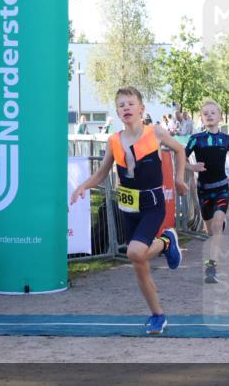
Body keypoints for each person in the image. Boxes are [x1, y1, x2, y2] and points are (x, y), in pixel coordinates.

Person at [70, 87, 189, 335]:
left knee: (135, 251)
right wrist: (83, 186)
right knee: (139, 262)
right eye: (121, 105)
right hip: (128, 206)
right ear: (117, 111)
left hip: (152, 204)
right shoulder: (114, 140)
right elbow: (103, 172)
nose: (126, 108)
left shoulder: (155, 132)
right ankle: (158, 315)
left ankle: (167, 241)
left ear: (142, 109)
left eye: (131, 103)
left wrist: (178, 179)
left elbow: (179, 149)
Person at [186, 99, 229, 284]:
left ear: (220, 116)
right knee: (211, 232)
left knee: (218, 226)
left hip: (221, 188)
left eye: (213, 112)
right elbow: (180, 158)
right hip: (203, 190)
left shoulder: (227, 139)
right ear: (201, 118)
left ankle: (211, 267)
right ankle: (216, 234)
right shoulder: (196, 139)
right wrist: (191, 167)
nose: (210, 115)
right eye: (206, 113)